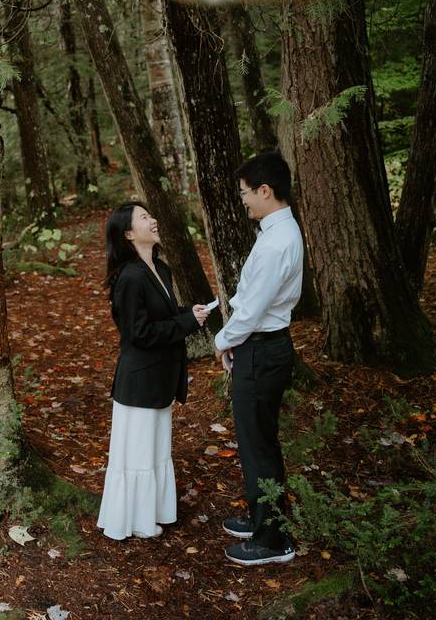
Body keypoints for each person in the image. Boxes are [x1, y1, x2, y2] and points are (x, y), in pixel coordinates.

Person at [97, 201, 209, 540]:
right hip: (140, 379)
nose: (153, 219)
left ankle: (155, 512)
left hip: (160, 376)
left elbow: (163, 315)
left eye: (151, 214)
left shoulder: (160, 268)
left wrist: (190, 312)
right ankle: (135, 522)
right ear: (129, 233)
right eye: (145, 217)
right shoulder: (129, 277)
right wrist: (188, 322)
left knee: (156, 448)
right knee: (139, 452)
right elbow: (139, 333)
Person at [214, 151, 303, 566]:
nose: (244, 200)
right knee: (257, 440)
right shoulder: (275, 233)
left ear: (266, 191)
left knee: (258, 443)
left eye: (247, 193)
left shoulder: (277, 241)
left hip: (263, 348)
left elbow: (250, 311)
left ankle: (273, 540)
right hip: (260, 346)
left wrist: (223, 339)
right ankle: (261, 516)